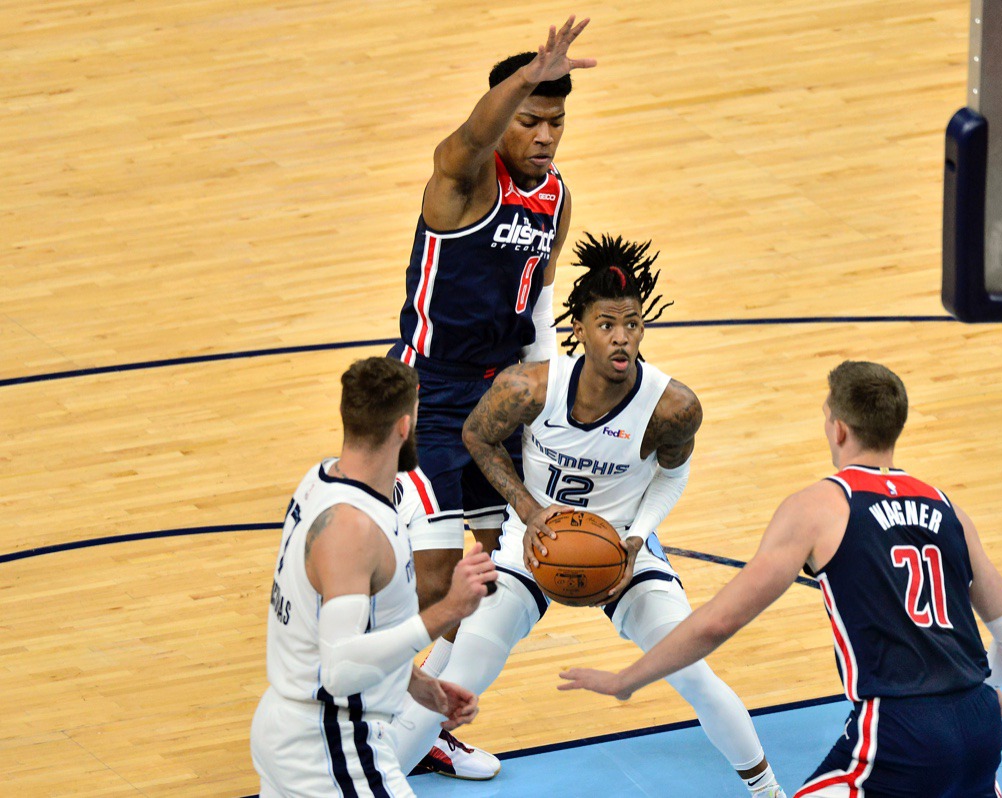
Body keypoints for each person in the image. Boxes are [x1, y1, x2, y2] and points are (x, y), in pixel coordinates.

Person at [388, 233, 787, 798]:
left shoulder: (673, 406)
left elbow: (672, 475)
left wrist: (634, 539)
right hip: (531, 550)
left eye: (632, 323)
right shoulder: (530, 388)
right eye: (607, 324)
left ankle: (768, 789)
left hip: (620, 552)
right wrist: (528, 512)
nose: (621, 337)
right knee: (455, 681)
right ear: (580, 328)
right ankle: (367, 787)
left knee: (692, 670)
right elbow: (477, 436)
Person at [560, 361, 1002, 797]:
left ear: (838, 428)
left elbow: (716, 624)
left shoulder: (819, 507)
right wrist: (980, 688)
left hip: (899, 731)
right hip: (980, 726)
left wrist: (627, 679)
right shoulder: (947, 506)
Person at [384, 16, 595, 778]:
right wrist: (521, 78)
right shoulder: (463, 181)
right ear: (504, 114)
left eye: (556, 121)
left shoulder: (557, 196)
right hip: (429, 394)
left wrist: (553, 396)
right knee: (437, 575)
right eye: (530, 119)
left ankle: (421, 721)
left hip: (502, 398)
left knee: (493, 567)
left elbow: (538, 301)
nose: (544, 134)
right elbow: (468, 138)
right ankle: (377, 715)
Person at [249, 357, 498, 798]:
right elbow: (341, 670)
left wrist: (418, 684)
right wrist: (449, 610)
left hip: (298, 729)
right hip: (329, 745)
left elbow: (357, 636)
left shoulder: (323, 480)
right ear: (405, 425)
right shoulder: (352, 528)